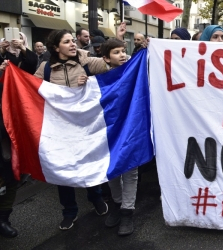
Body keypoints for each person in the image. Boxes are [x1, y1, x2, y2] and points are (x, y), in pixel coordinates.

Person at [34, 24, 127, 230]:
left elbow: (115, 69)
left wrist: (119, 44)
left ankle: (95, 198)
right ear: (56, 47)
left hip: (86, 126)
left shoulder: (86, 62)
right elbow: (31, 90)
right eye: (66, 42)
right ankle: (69, 211)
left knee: (88, 161)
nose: (72, 44)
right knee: (62, 169)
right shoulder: (46, 69)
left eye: (73, 41)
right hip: (60, 129)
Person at [0, 33, 38, 238]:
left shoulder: (19, 60)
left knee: (11, 170)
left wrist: (23, 49)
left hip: (11, 125)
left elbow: (31, 69)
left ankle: (4, 218)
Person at [101, 38, 138, 236]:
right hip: (111, 131)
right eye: (116, 52)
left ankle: (127, 212)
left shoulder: (136, 71)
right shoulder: (99, 78)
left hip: (132, 128)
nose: (122, 55)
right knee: (113, 170)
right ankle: (117, 204)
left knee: (130, 171)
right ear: (106, 58)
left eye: (123, 51)